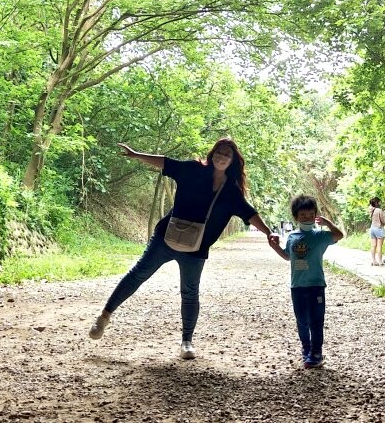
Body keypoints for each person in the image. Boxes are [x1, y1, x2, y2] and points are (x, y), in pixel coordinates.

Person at [88, 137, 277, 360]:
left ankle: (187, 341)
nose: (222, 157)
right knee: (138, 274)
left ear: (233, 160)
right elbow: (167, 163)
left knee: (189, 293)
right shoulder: (193, 170)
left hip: (196, 248)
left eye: (227, 154)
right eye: (219, 152)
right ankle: (104, 317)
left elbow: (249, 213)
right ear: (212, 154)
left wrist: (268, 232)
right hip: (165, 237)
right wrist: (137, 155)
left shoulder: (231, 191)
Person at [268, 195, 344, 369]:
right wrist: (275, 248)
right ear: (296, 217)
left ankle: (316, 353)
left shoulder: (320, 236)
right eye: (303, 215)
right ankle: (306, 349)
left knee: (316, 321)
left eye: (311, 214)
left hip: (316, 285)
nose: (308, 218)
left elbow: (339, 235)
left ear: (315, 215)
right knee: (301, 320)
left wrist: (328, 223)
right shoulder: (292, 237)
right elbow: (288, 256)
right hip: (297, 286)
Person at [368, 196, 385, 266]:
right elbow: (384, 221)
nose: (380, 203)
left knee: (373, 245)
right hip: (379, 228)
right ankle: (380, 262)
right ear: (377, 202)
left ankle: (374, 261)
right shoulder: (379, 210)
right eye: (379, 201)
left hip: (372, 228)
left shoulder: (371, 210)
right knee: (379, 245)